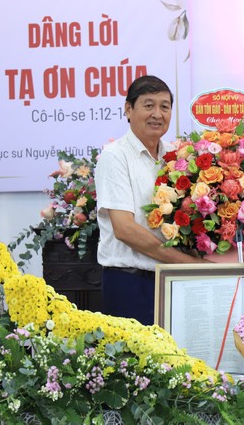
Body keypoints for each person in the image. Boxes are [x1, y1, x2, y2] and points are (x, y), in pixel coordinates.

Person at [94, 75, 205, 325]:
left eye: (164, 106)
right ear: (128, 109)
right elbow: (125, 229)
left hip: (175, 280)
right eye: (148, 105)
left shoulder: (176, 156)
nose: (157, 114)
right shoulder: (115, 156)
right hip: (131, 283)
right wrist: (191, 264)